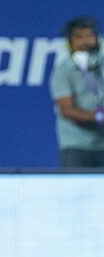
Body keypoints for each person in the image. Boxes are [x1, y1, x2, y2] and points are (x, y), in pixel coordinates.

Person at [50, 17, 104, 168]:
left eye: (89, 36)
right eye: (79, 37)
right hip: (76, 144)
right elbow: (67, 110)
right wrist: (99, 117)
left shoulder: (101, 65)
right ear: (70, 42)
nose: (85, 41)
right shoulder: (63, 70)